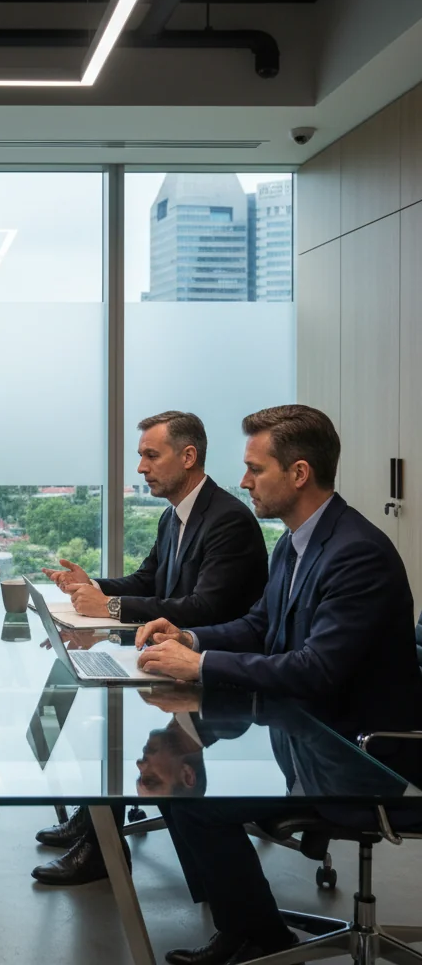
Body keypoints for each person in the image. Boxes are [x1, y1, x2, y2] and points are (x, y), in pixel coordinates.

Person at [135, 404, 422, 965]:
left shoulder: (356, 553)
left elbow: (316, 670)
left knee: (190, 794)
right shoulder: (296, 542)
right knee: (179, 767)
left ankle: (258, 936)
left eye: (255, 469)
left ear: (299, 473)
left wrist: (201, 666)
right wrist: (189, 637)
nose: (243, 482)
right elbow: (260, 626)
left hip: (364, 758)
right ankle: (245, 922)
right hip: (305, 736)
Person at [33, 411, 269, 885]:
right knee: (98, 706)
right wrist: (94, 587)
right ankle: (96, 824)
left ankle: (101, 845)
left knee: (110, 723)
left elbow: (204, 607)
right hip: (174, 667)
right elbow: (148, 581)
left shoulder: (228, 520)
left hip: (221, 681)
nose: (140, 467)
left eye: (150, 455)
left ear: (188, 456)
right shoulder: (174, 515)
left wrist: (110, 607)